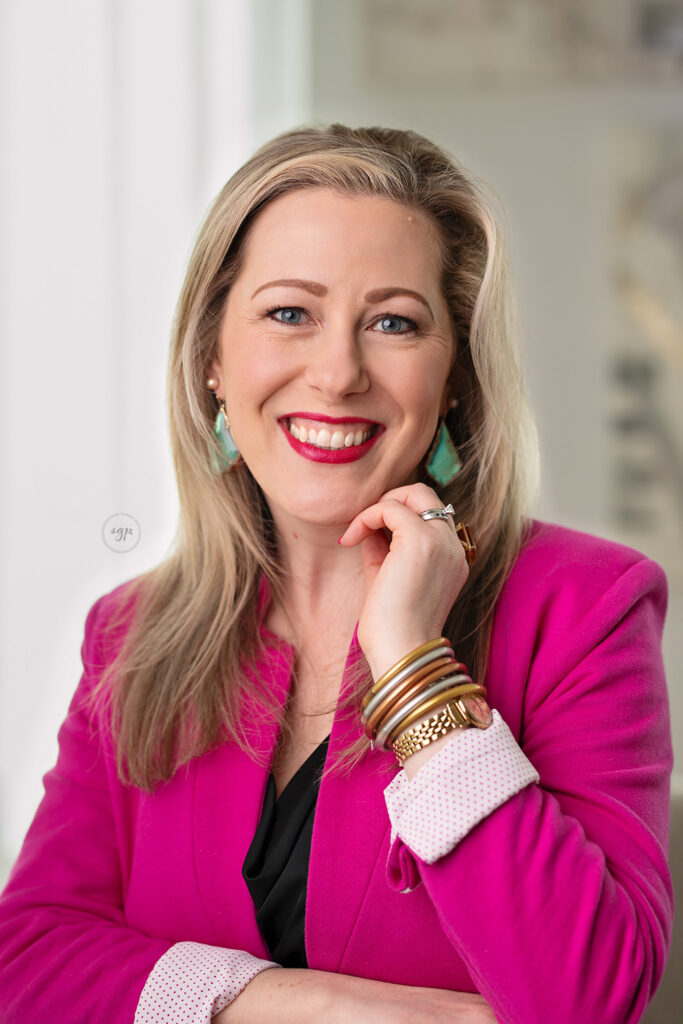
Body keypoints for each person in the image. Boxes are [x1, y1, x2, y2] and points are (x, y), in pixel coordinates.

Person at [0, 124, 673, 1024]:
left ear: (456, 378)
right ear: (212, 358)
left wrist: (411, 664)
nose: (338, 371)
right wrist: (307, 1007)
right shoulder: (130, 632)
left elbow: (586, 996)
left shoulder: (582, 607)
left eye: (393, 322)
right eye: (289, 313)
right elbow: (28, 958)